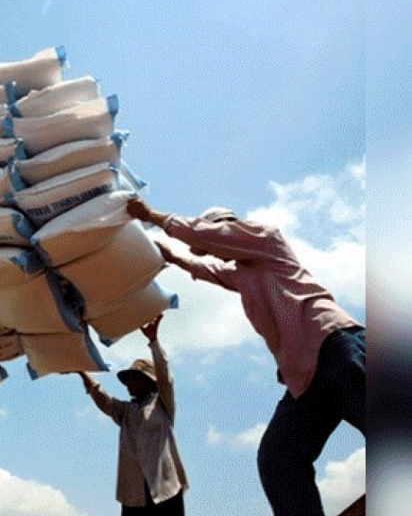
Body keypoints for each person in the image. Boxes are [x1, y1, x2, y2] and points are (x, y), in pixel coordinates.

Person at [125, 197, 365, 516]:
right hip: (303, 379)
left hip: (334, 345)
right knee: (279, 458)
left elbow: (213, 238)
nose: (215, 252)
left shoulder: (265, 238)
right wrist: (174, 258)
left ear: (228, 225)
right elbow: (207, 269)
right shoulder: (241, 274)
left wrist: (152, 216)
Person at [78, 314, 188, 516]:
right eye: (127, 379)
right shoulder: (126, 412)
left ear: (147, 380)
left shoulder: (162, 405)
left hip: (164, 489)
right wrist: (81, 372)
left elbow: (165, 378)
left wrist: (153, 342)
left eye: (133, 378)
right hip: (134, 494)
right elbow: (103, 399)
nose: (128, 383)